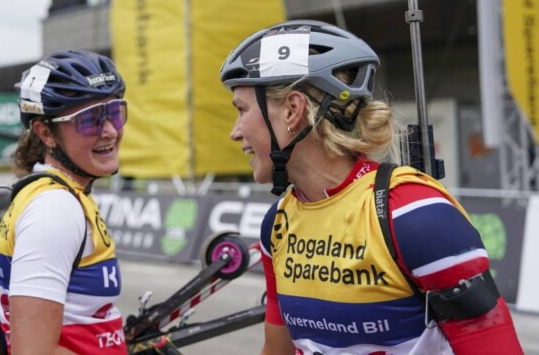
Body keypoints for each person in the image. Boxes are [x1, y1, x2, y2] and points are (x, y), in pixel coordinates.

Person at [219, 20, 523, 354]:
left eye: (242, 110)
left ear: (293, 110)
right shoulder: (277, 223)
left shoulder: (415, 214)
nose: (235, 132)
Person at [0, 49, 128, 355]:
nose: (110, 131)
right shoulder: (54, 208)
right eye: (91, 120)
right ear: (46, 133)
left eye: (115, 112)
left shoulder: (58, 194)